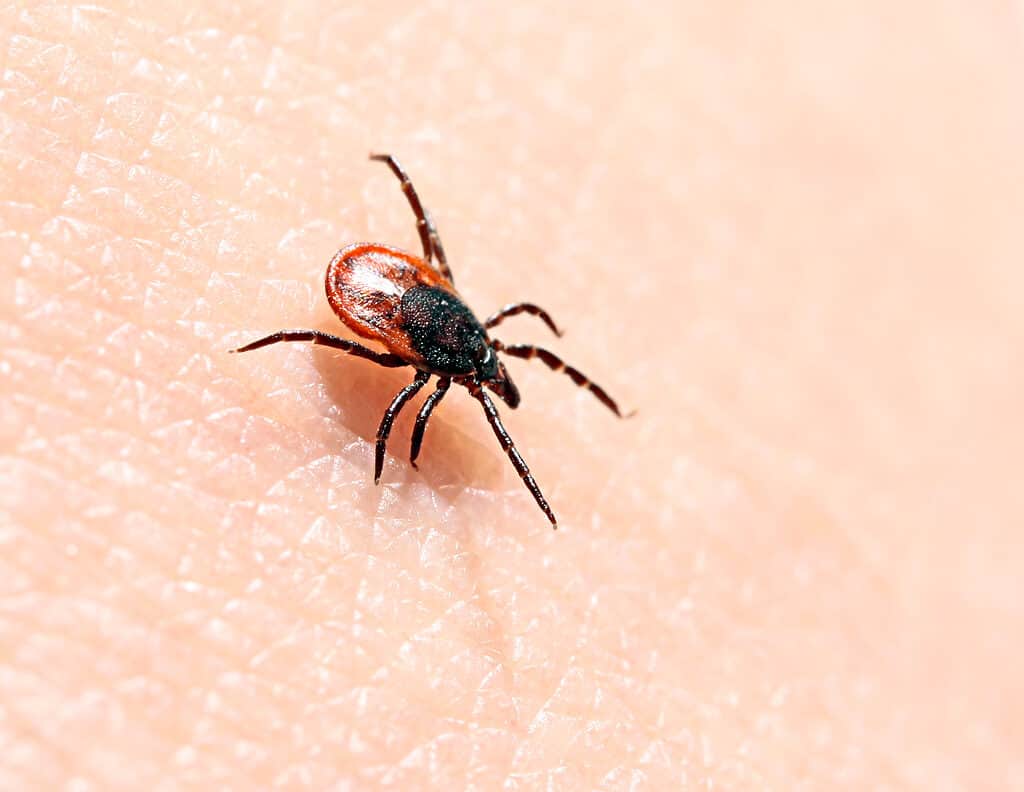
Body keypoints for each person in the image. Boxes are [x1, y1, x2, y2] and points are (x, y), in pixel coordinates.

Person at [3, 2, 1019, 787]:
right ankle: (301, 334)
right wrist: (389, 427)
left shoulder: (468, 346)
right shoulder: (441, 355)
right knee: (366, 360)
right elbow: (404, 403)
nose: (488, 374)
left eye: (488, 361)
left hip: (390, 293)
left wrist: (461, 372)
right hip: (374, 293)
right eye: (489, 366)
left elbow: (443, 388)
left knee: (439, 356)